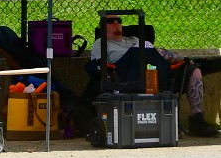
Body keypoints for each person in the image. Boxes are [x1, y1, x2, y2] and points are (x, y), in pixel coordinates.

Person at [91, 14, 220, 137]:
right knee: (145, 47)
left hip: (157, 76)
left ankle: (197, 120)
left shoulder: (134, 40)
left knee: (193, 71)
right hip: (129, 77)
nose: (116, 23)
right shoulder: (101, 43)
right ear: (102, 26)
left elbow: (157, 57)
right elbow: (99, 67)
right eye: (111, 21)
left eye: (119, 20)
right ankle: (194, 62)